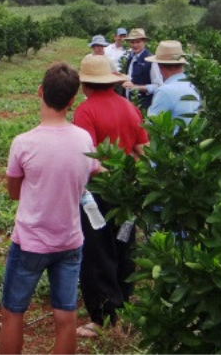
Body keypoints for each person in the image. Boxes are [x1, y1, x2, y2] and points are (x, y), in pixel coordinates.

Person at [0, 62, 100, 355]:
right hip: (70, 240)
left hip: (31, 242)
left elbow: (14, 192)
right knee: (65, 316)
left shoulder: (23, 143)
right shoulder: (83, 139)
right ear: (72, 101)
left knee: (13, 313)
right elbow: (93, 170)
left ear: (40, 92)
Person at [73, 55, 149, 337]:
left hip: (100, 193)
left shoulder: (85, 111)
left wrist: (111, 179)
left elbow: (88, 158)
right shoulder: (129, 107)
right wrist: (134, 178)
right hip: (128, 191)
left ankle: (102, 316)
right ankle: (123, 301)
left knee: (97, 250)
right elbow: (143, 148)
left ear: (86, 85)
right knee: (123, 243)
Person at [146, 40, 201, 124]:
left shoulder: (165, 91)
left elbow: (152, 125)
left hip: (173, 137)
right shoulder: (192, 86)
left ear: (159, 66)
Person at [121, 28, 162, 110]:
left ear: (144, 42)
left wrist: (136, 87)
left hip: (144, 106)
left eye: (138, 42)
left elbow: (158, 86)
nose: (135, 45)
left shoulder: (151, 60)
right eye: (132, 42)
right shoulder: (130, 58)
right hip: (130, 104)